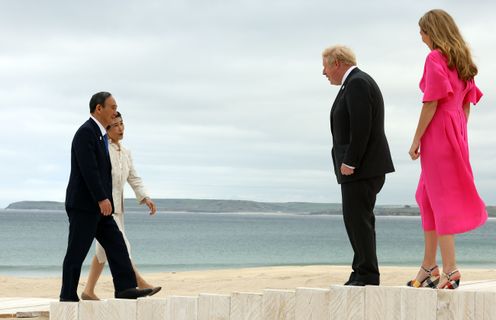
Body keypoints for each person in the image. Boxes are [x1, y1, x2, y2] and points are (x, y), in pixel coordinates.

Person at [407, 9, 487, 290]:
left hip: (438, 132)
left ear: (433, 31)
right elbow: (466, 103)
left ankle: (451, 269)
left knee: (439, 200)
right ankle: (429, 266)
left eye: (422, 30)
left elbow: (431, 102)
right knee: (425, 195)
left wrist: (416, 139)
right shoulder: (462, 59)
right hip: (455, 130)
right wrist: (459, 132)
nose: (420, 36)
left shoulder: (435, 58)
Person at [60, 92, 153, 301]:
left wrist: (106, 200)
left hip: (101, 206)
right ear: (99, 109)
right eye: (112, 107)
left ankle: (125, 288)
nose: (114, 111)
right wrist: (102, 198)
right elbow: (88, 170)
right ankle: (67, 296)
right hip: (84, 205)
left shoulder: (101, 135)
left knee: (117, 244)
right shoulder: (85, 133)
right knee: (77, 251)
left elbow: (105, 173)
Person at [322, 45, 395, 286]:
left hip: (361, 168)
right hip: (361, 168)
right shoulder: (353, 83)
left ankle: (366, 275)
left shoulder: (357, 83)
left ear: (337, 63)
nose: (323, 72)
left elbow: (361, 126)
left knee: (358, 220)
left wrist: (350, 161)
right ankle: (361, 270)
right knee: (356, 220)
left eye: (325, 66)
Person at [82, 112, 161, 300]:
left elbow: (133, 177)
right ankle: (139, 281)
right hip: (104, 209)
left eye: (122, 124)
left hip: (119, 209)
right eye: (115, 125)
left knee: (102, 253)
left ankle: (88, 291)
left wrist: (145, 197)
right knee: (122, 246)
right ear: (107, 129)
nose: (120, 128)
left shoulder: (126, 153)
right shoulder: (102, 150)